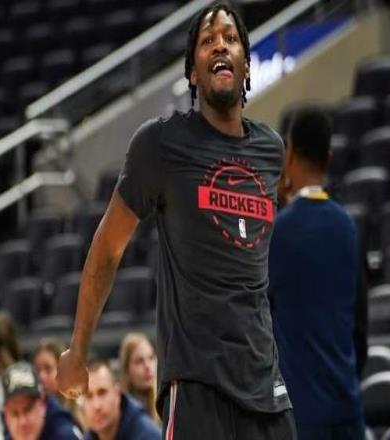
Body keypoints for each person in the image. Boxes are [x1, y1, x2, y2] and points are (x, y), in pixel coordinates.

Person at [57, 2, 296, 438]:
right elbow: (107, 249)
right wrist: (78, 350)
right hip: (196, 383)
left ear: (246, 65)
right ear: (192, 73)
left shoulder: (271, 150)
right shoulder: (160, 144)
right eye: (207, 41)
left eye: (230, 39)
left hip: (266, 385)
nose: (220, 46)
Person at [269, 104, 366, 439]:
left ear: (290, 156)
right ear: (328, 157)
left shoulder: (277, 232)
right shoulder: (348, 227)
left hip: (300, 418)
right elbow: (360, 328)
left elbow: (260, 323)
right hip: (348, 410)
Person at [2, 362, 82, 440]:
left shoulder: (64, 434)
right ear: (6, 416)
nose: (22, 422)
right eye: (15, 414)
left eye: (27, 410)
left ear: (43, 404)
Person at [83, 360, 160, 440]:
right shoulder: (88, 437)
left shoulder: (148, 435)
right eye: (89, 396)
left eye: (102, 393)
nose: (97, 405)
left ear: (117, 393)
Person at [34, 338, 86, 430]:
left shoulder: (84, 410)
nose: (41, 376)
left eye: (48, 368)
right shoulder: (34, 416)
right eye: (38, 370)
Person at [119, 333, 159, 424]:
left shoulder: (166, 404)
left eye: (151, 358)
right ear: (127, 369)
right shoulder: (120, 412)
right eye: (139, 361)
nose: (147, 366)